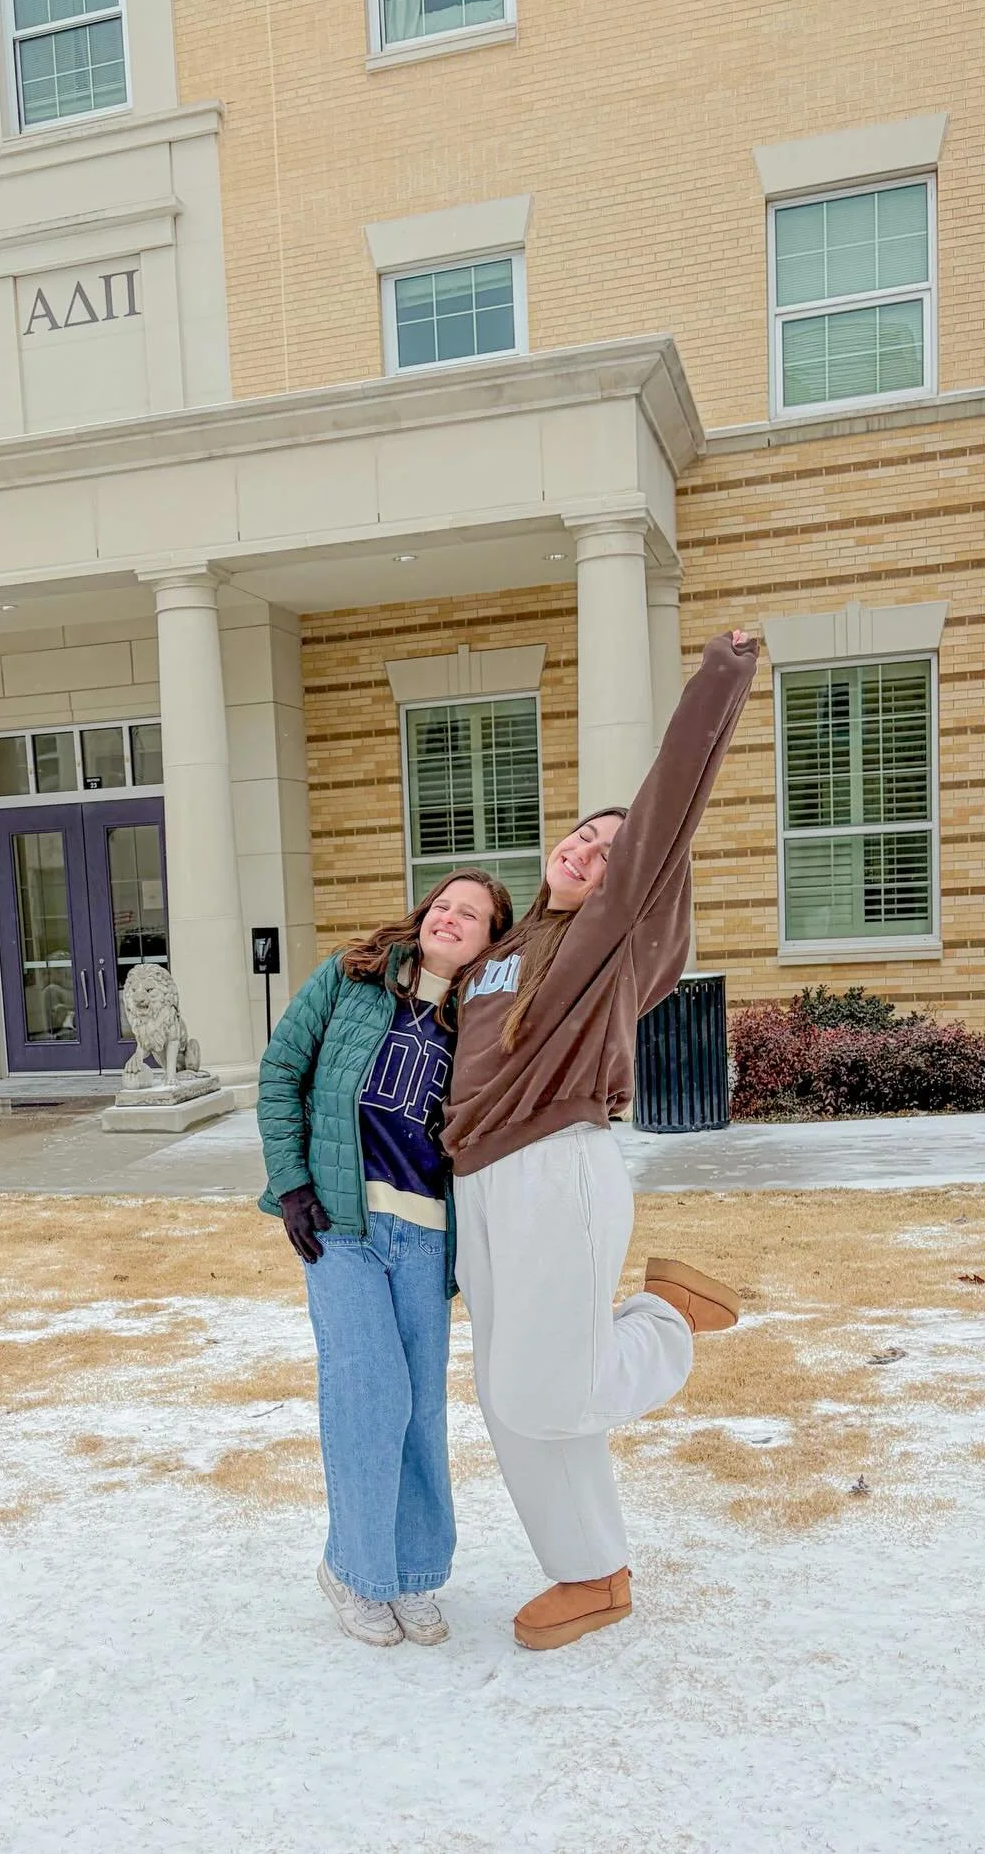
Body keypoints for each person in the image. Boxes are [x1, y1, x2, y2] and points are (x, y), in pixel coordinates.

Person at [445, 629, 758, 1653]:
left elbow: (668, 813)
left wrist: (720, 679)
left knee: (552, 1387)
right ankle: (591, 1572)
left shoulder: (609, 938)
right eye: (581, 836)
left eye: (610, 852)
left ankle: (667, 1321)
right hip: (480, 1182)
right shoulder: (510, 944)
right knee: (510, 1402)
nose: (586, 851)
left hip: (555, 1169)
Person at [257, 871, 512, 1648]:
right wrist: (292, 1184)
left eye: (471, 914)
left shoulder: (486, 1017)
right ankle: (354, 1571)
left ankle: (415, 1571)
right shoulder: (352, 976)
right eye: (443, 904)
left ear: (491, 939)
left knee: (421, 1410)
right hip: (342, 1225)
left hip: (427, 1236)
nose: (450, 917)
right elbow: (281, 1071)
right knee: (370, 1397)